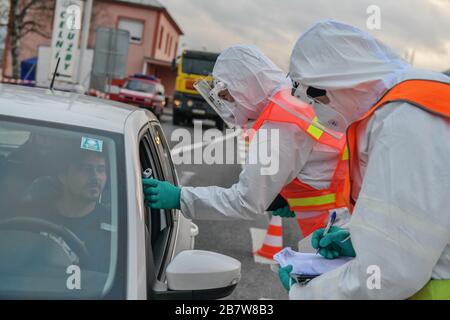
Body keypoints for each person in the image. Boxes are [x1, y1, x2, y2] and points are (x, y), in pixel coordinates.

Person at [282, 20, 450, 300]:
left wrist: (304, 291)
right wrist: (357, 236)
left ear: (340, 80)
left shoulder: (402, 120)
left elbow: (390, 274)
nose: (314, 106)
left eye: (315, 93)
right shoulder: (415, 98)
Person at [143, 45, 350, 242]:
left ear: (245, 86)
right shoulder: (290, 99)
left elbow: (245, 201)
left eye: (227, 96)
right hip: (340, 224)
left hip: (337, 230)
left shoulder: (278, 122)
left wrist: (180, 197)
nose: (228, 105)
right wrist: (292, 198)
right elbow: (318, 164)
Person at [21, 144, 112, 272]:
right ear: (62, 175)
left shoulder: (115, 226)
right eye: (85, 169)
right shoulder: (32, 216)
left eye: (101, 170)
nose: (95, 177)